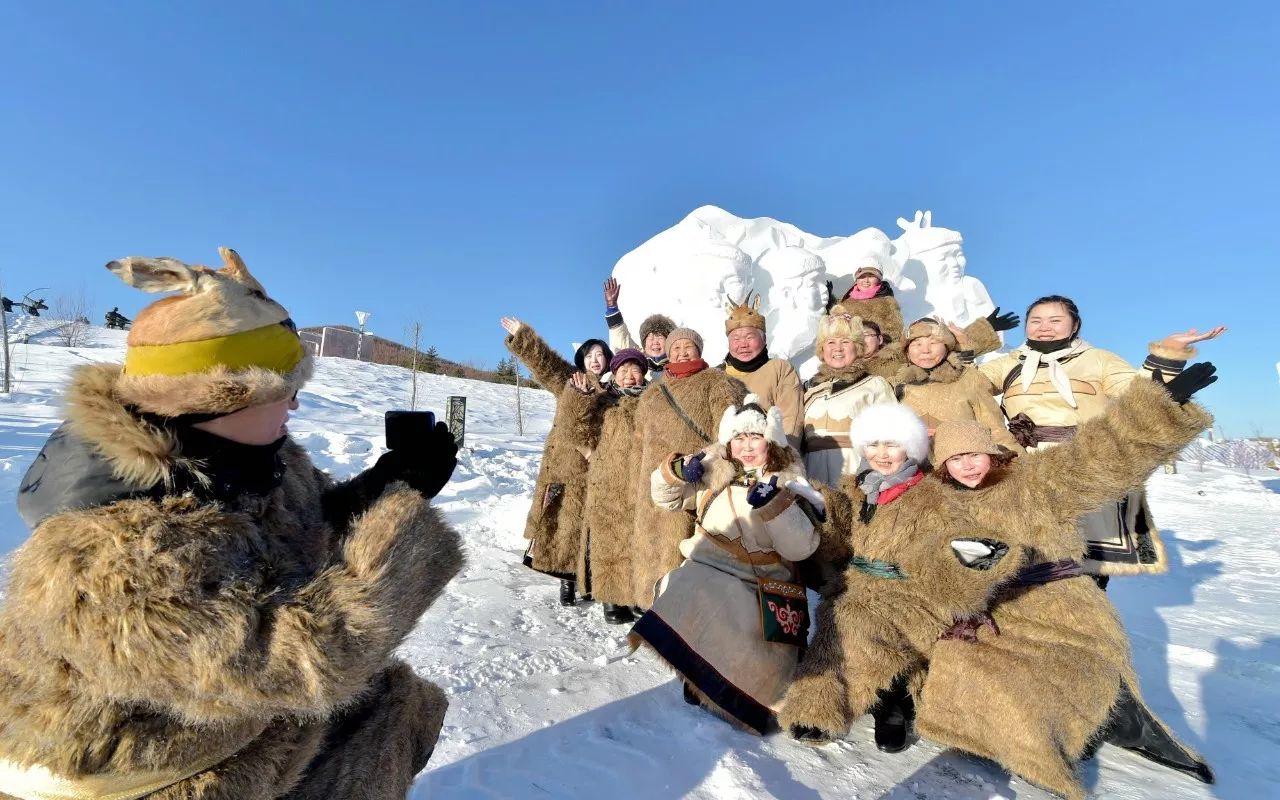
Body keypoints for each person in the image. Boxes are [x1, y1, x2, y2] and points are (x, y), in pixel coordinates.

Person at [0, 248, 462, 800]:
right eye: (283, 387)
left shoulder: (249, 458)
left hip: (210, 732)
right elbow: (310, 660)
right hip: (132, 774)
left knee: (387, 704)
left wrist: (384, 484)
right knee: (366, 708)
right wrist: (402, 510)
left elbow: (304, 530)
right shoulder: (103, 559)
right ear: (219, 400)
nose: (295, 401)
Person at [920, 374, 1218, 798]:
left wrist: (1158, 404)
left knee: (1074, 664)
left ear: (991, 452)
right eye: (955, 458)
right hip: (1000, 607)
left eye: (974, 454)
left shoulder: (1036, 481)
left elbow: (1097, 456)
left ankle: (1103, 722)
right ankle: (1020, 740)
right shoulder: (941, 505)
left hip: (1061, 602)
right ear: (942, 465)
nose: (967, 465)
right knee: (964, 662)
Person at [974, 294, 1226, 582]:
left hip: (1087, 460)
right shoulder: (1008, 363)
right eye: (1036, 321)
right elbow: (965, 384)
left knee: (1086, 561)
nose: (1044, 327)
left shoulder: (1099, 359)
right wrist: (968, 340)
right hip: (1027, 465)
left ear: (1075, 325)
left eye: (1055, 320)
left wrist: (1167, 355)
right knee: (1032, 552)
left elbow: (1137, 392)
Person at [630, 395, 821, 734]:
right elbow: (665, 500)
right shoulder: (713, 476)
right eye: (739, 438)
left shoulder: (789, 483)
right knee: (686, 585)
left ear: (771, 441)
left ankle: (733, 691)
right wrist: (675, 474)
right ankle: (697, 673)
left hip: (761, 582)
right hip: (707, 566)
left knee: (741, 622)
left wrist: (774, 506)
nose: (747, 446)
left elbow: (801, 548)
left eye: (755, 437)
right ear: (728, 443)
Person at [629, 327, 746, 610]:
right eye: (676, 348)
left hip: (694, 483)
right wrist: (636, 484)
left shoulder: (718, 383)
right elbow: (638, 444)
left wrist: (709, 471)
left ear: (699, 350)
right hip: (654, 482)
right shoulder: (652, 393)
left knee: (684, 546)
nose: (682, 352)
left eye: (688, 347)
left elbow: (730, 434)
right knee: (651, 544)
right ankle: (649, 602)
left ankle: (680, 610)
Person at [502, 316, 608, 606]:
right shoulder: (568, 381)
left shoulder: (614, 391)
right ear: (581, 360)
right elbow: (544, 362)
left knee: (591, 525)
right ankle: (565, 579)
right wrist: (524, 336)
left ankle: (589, 579)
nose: (595, 360)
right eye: (589, 355)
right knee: (563, 523)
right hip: (563, 464)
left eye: (600, 354)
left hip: (596, 466)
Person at [559, 348, 650, 624]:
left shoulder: (653, 400)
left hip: (640, 479)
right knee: (608, 541)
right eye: (623, 371)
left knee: (636, 540)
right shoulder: (602, 400)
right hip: (607, 479)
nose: (629, 376)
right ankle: (611, 600)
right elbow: (574, 429)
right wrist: (580, 399)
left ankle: (634, 596)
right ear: (615, 374)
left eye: (634, 370)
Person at [894, 316, 1024, 454]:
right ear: (907, 351)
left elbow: (995, 430)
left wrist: (1014, 462)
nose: (925, 350)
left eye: (933, 342)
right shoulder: (895, 385)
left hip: (964, 465)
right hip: (914, 470)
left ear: (947, 347)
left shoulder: (968, 379)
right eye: (917, 344)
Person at [800, 305, 897, 487]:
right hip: (813, 477)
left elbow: (892, 436)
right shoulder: (809, 389)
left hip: (857, 476)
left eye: (845, 342)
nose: (838, 348)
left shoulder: (874, 384)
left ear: (857, 347)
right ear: (822, 350)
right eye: (831, 342)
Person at [719, 294, 804, 447]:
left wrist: (781, 457)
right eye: (736, 339)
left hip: (769, 460)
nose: (743, 344)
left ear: (764, 339)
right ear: (728, 343)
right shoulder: (718, 376)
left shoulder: (779, 369)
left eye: (749, 337)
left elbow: (791, 419)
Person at [603, 277, 675, 379]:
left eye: (659, 337)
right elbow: (622, 339)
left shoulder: (678, 365)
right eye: (650, 337)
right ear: (644, 344)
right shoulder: (638, 362)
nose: (655, 342)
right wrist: (612, 307)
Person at [838, 261, 904, 348]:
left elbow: (895, 332)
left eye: (871, 276)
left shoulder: (887, 302)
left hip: (874, 352)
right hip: (847, 350)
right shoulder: (846, 300)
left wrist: (876, 343)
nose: (866, 281)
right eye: (862, 277)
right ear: (856, 279)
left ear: (879, 279)